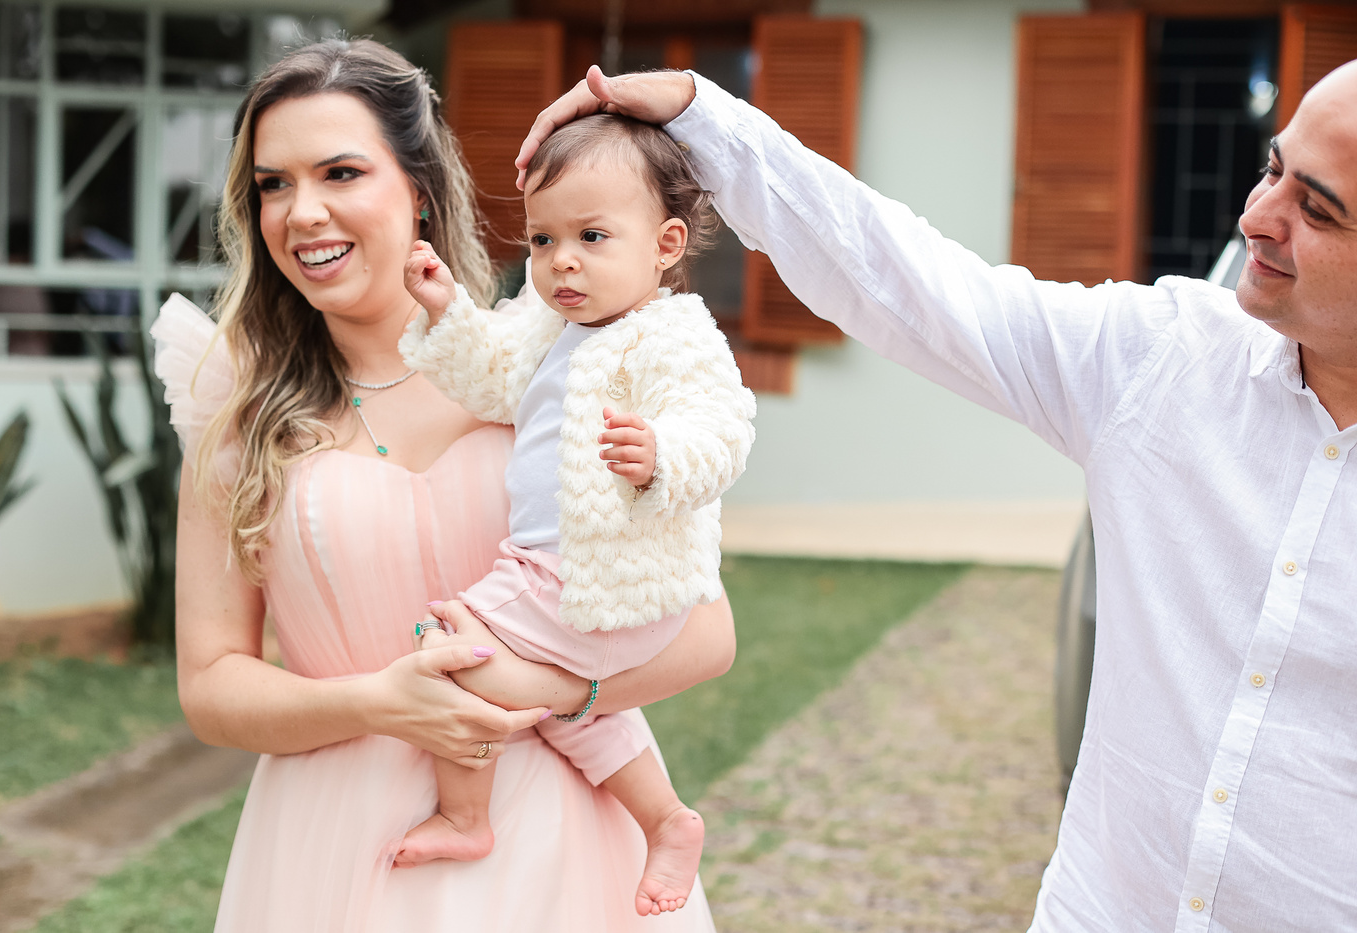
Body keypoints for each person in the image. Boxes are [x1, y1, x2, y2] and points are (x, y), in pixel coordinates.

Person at [515, 60, 1357, 932]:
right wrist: (704, 114)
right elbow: (907, 278)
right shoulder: (1165, 360)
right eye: (1272, 169)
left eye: (1318, 209)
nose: (1258, 217)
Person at [154, 40, 731, 932]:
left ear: (417, 188)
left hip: (568, 839)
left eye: (341, 172)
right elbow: (211, 684)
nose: (303, 212)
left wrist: (546, 689)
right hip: (340, 843)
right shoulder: (237, 412)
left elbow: (707, 632)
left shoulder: (552, 364)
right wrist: (379, 703)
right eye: (273, 185)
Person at [395, 113, 756, 917]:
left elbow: (724, 428)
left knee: (446, 647)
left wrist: (662, 454)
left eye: (592, 237)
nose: (562, 260)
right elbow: (491, 380)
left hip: (595, 574)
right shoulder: (549, 325)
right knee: (575, 715)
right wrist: (446, 310)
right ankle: (666, 818)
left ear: (664, 245)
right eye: (542, 239)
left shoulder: (672, 336)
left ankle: (466, 813)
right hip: (553, 575)